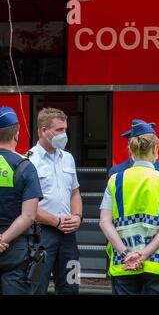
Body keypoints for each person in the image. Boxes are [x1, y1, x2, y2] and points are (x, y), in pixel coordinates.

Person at [99, 123, 159, 295]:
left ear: (130, 148)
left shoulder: (114, 180)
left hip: (124, 262)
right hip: (158, 262)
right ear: (156, 148)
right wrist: (143, 255)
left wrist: (126, 253)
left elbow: (105, 222)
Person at [29, 108, 83, 295]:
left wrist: (77, 216)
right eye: (59, 130)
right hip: (40, 235)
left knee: (71, 287)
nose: (64, 134)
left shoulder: (68, 158)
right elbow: (27, 206)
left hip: (69, 235)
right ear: (44, 130)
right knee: (37, 288)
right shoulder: (28, 161)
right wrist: (56, 221)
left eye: (65, 129)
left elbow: (75, 193)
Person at [0, 107, 42, 295]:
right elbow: (29, 215)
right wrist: (3, 239)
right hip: (16, 249)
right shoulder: (25, 166)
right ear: (16, 134)